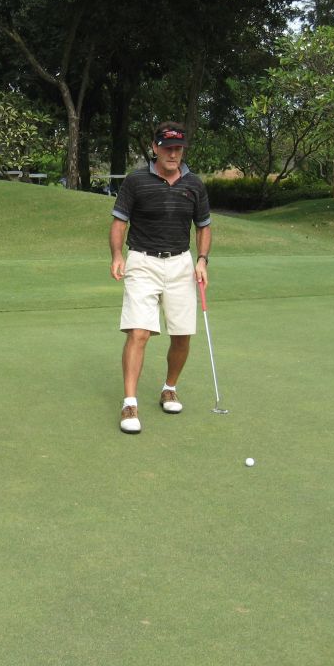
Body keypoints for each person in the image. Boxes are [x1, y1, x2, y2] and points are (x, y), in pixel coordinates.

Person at [109, 122, 212, 434]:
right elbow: (119, 222)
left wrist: (202, 260)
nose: (173, 154)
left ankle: (169, 388)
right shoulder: (136, 181)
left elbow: (203, 226)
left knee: (182, 334)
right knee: (139, 332)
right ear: (155, 148)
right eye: (167, 148)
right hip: (142, 262)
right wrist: (117, 256)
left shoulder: (194, 184)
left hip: (181, 264)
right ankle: (130, 403)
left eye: (178, 148)